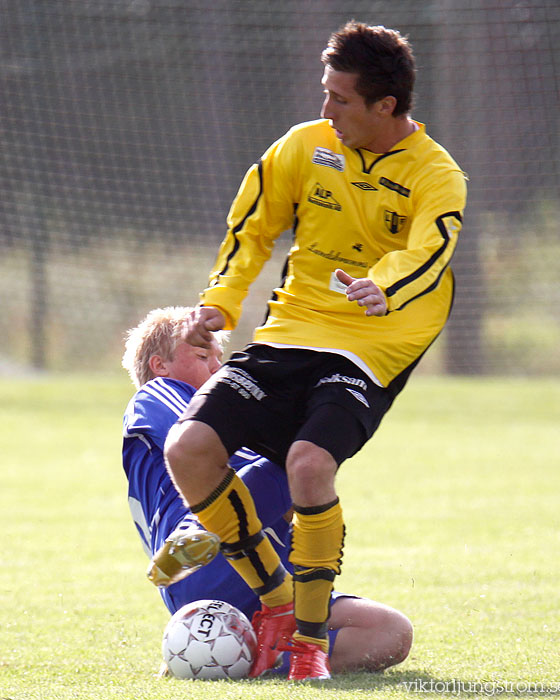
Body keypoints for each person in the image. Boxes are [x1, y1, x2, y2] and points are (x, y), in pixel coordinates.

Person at [164, 20, 467, 681]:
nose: (325, 110)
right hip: (290, 331)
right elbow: (252, 230)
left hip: (372, 346)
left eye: (340, 99)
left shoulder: (436, 174)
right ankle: (276, 602)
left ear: (385, 106)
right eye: (323, 93)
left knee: (307, 464)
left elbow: (430, 251)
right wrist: (220, 302)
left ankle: (306, 644)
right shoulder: (305, 147)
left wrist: (382, 284)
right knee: (187, 448)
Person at [121, 306, 413, 676]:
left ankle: (250, 661)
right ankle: (197, 529)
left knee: (390, 632)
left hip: (269, 582)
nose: (216, 370)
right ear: (160, 366)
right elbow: (198, 445)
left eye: (219, 359)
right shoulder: (159, 393)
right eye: (201, 356)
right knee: (294, 456)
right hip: (208, 566)